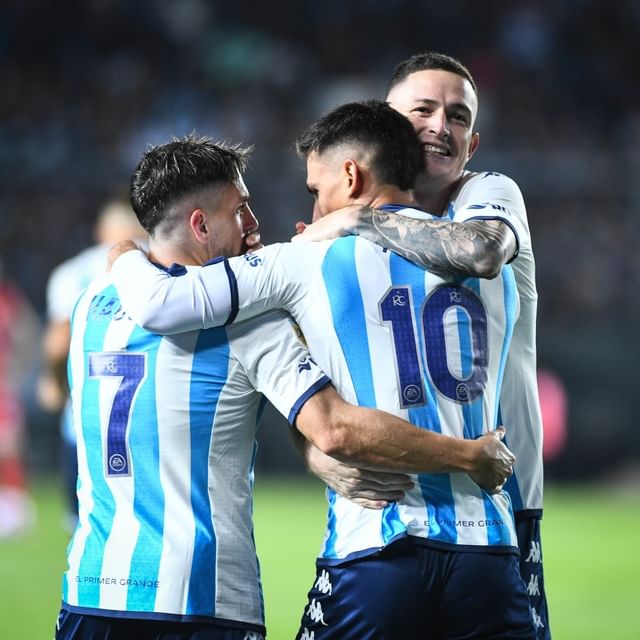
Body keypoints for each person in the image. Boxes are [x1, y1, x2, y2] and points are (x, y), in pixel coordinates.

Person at [55, 135, 516, 640]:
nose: (254, 224)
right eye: (241, 210)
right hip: (199, 600)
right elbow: (335, 426)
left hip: (88, 594)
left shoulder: (90, 302)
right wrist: (469, 455)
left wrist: (124, 250)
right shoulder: (249, 322)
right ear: (200, 224)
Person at [294, 51, 550, 638]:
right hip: (387, 514)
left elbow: (480, 253)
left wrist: (361, 218)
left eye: (457, 117)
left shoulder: (490, 194)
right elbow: (296, 368)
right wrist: (315, 452)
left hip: (500, 501)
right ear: (387, 123)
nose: (441, 126)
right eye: (424, 110)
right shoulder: (332, 241)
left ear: (473, 143)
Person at [37, 197, 147, 530]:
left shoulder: (73, 272)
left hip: (87, 423)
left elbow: (58, 344)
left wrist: (55, 384)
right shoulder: (167, 264)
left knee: (86, 528)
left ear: (102, 230)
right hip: (150, 421)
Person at [0, 258, 40, 538]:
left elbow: (28, 338)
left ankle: (15, 507)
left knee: (8, 443)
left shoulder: (10, 301)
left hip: (4, 386)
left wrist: (16, 373)